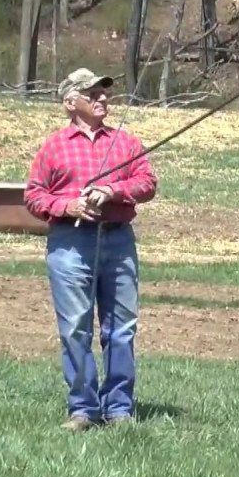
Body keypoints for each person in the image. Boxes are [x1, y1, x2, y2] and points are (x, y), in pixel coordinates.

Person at [24, 67, 158, 431]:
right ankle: (83, 409)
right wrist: (68, 206)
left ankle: (119, 410)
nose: (102, 98)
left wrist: (112, 191)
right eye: (92, 93)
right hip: (70, 244)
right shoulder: (54, 147)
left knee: (121, 329)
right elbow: (34, 195)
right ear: (71, 103)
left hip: (119, 240)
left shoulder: (126, 142)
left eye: (104, 92)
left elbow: (147, 182)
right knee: (75, 329)